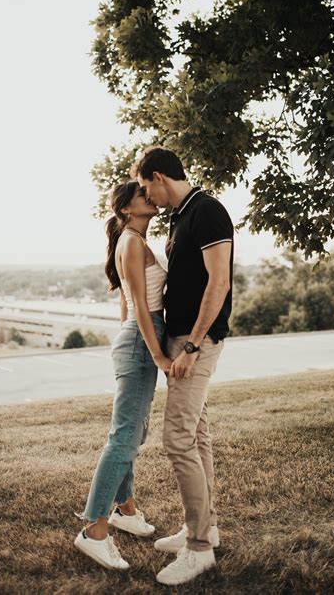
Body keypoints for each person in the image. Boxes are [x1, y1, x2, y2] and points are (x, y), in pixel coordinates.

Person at [133, 147, 234, 586]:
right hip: (182, 338)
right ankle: (204, 526)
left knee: (176, 438)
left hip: (198, 340)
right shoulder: (182, 215)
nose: (145, 195)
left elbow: (220, 280)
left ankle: (199, 549)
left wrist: (192, 345)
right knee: (196, 434)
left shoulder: (208, 211)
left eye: (144, 186)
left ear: (158, 176)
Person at [74, 180, 171, 570]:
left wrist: (135, 339)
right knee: (124, 438)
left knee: (135, 432)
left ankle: (125, 510)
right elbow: (141, 311)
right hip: (143, 340)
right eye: (142, 195)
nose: (150, 196)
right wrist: (158, 354)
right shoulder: (131, 242)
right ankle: (94, 532)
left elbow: (126, 304)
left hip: (137, 338)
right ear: (128, 209)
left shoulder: (134, 239)